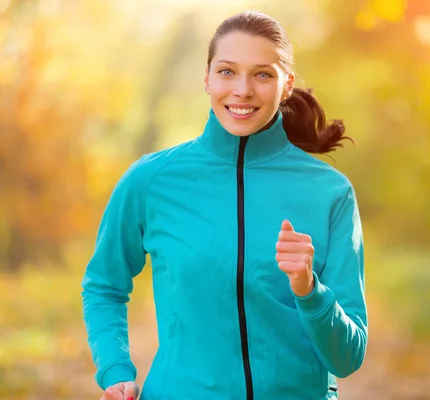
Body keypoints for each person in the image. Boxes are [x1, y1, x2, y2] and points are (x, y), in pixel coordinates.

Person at [81, 10, 367, 400]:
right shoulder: (150, 181)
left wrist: (308, 289)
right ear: (207, 78)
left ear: (286, 86)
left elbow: (348, 357)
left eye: (263, 74)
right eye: (227, 72)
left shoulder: (330, 192)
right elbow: (105, 285)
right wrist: (115, 369)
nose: (243, 90)